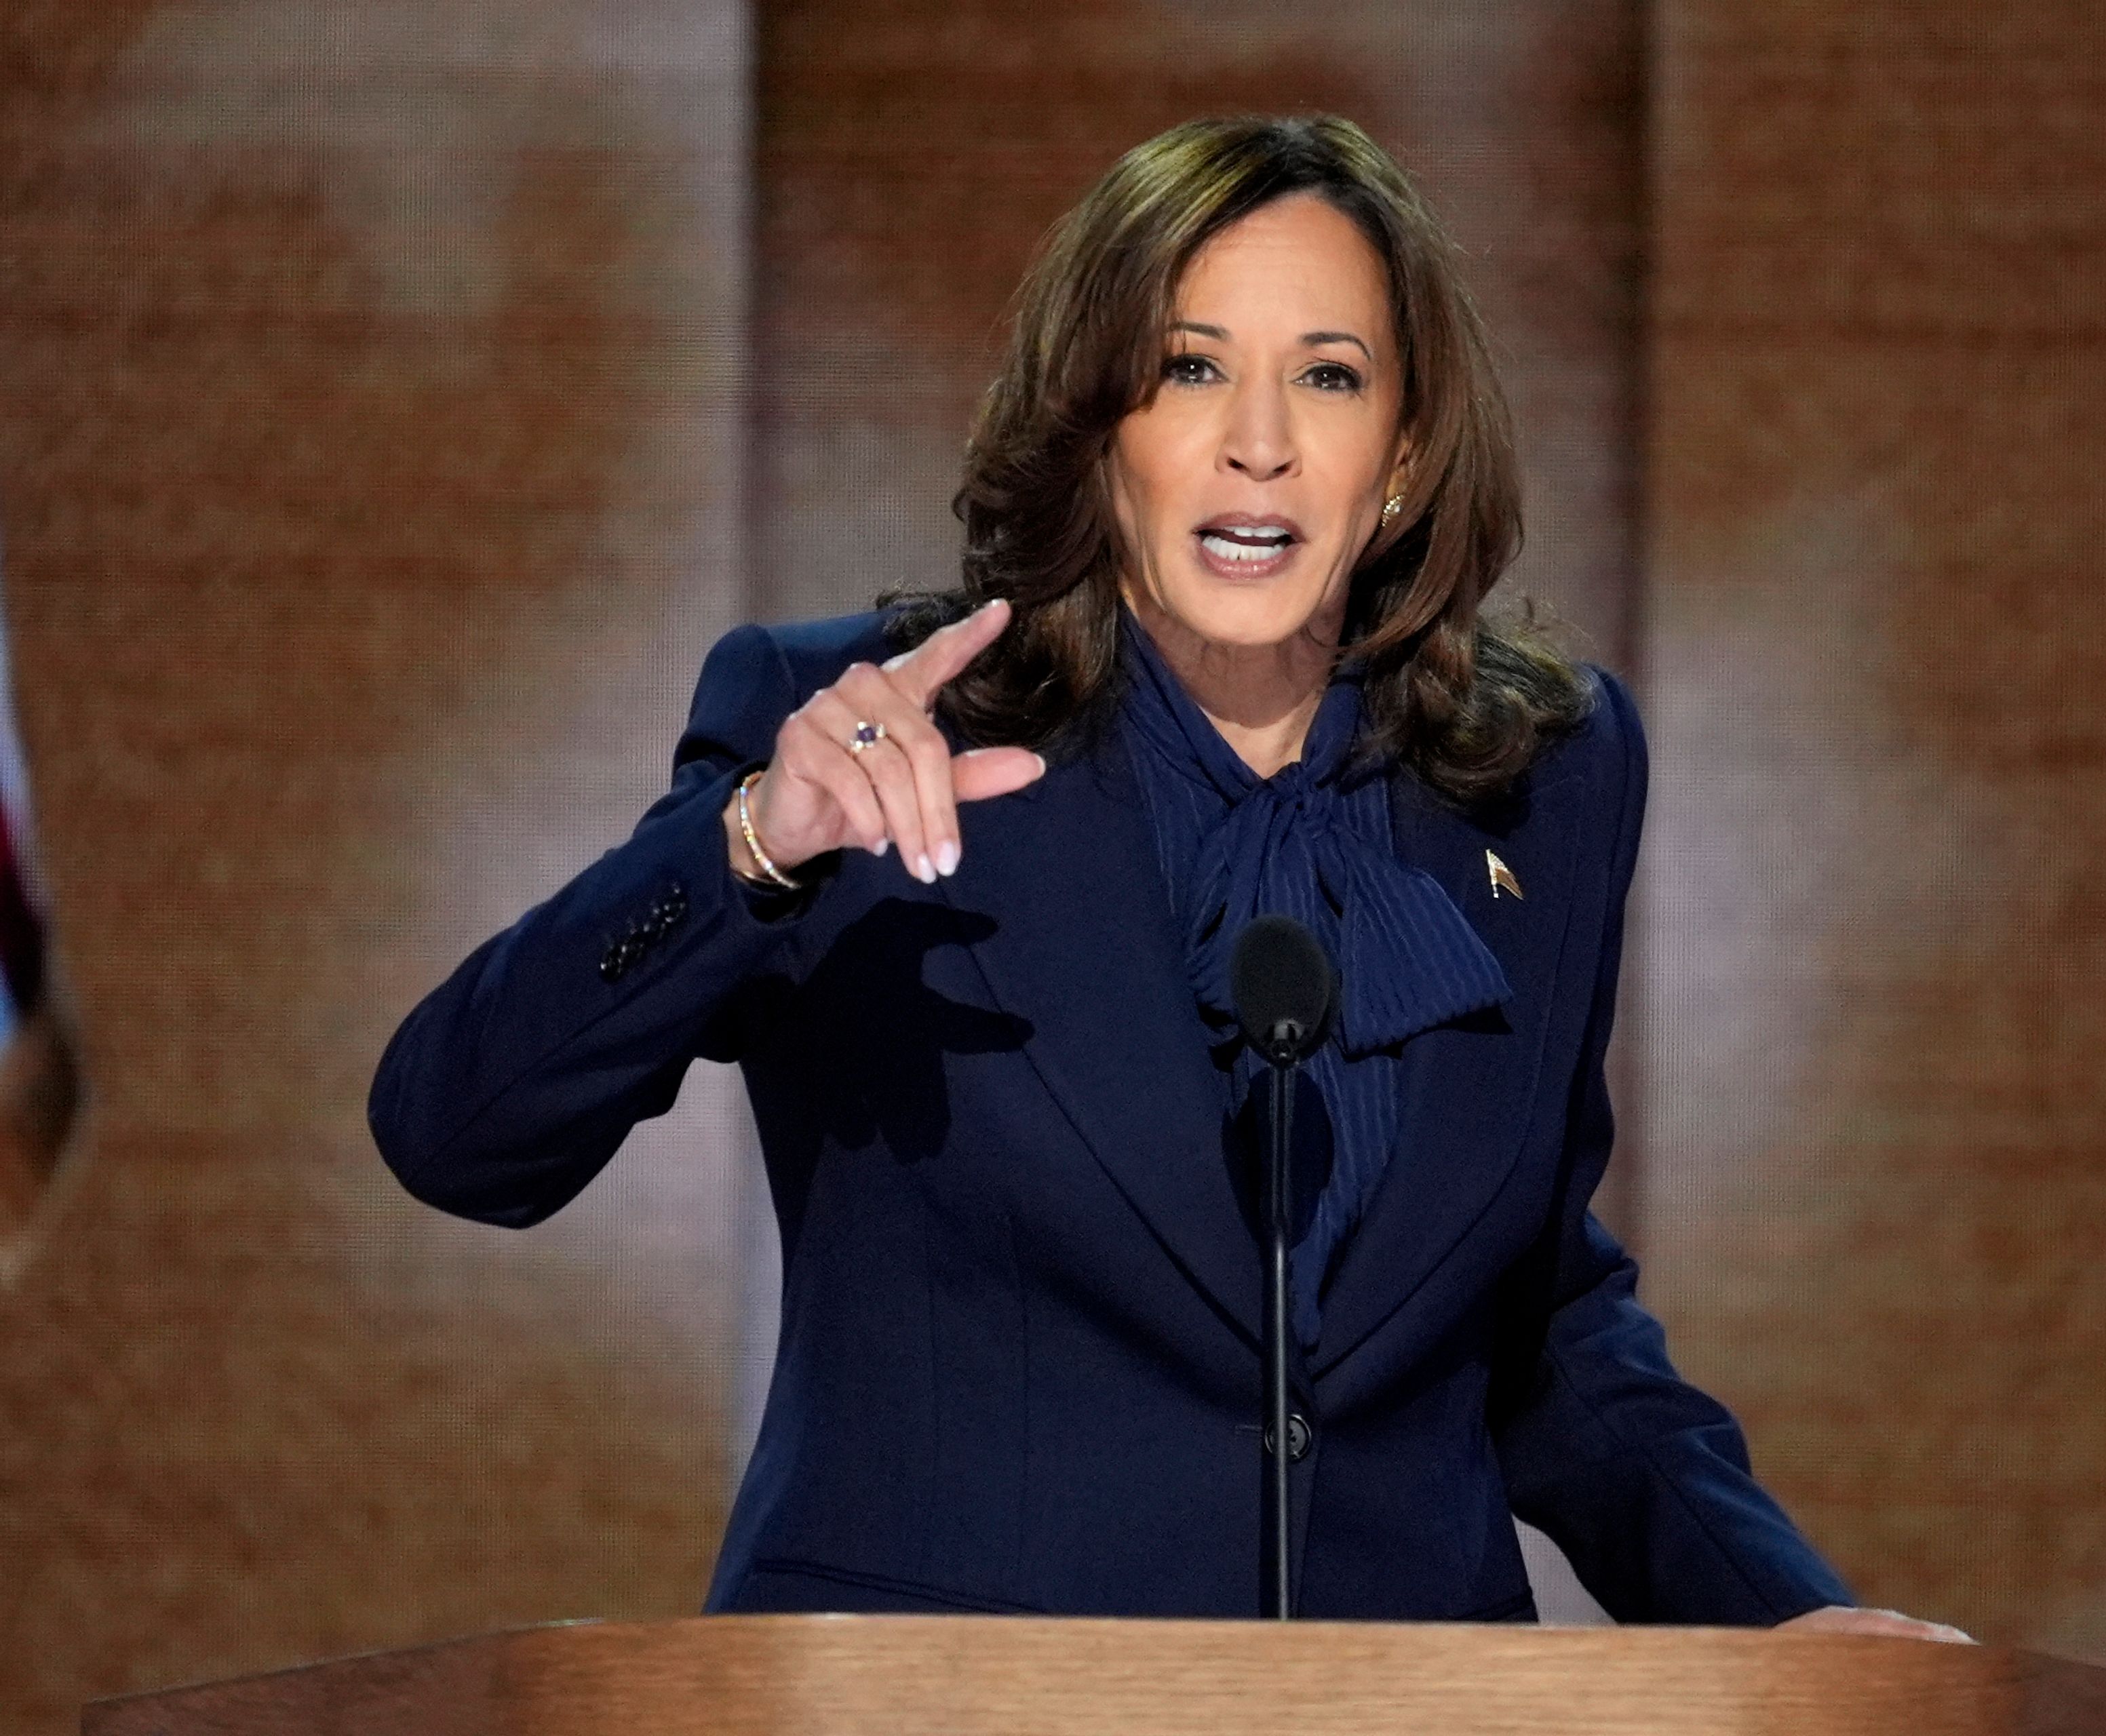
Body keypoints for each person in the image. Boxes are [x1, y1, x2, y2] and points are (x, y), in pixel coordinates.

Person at [372, 114, 1960, 1639]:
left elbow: (1537, 1320)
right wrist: (748, 854)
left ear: (1400, 460)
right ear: (1101, 431)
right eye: (1189, 368)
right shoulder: (873, 731)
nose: (1257, 443)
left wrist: (1789, 1617)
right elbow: (456, 1129)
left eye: (1326, 378)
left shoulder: (1544, 775)